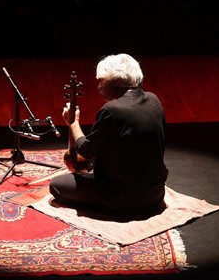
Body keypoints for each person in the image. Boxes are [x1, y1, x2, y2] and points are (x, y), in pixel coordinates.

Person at [49, 53, 168, 220]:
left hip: (121, 198)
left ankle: (110, 207)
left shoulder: (112, 110)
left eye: (102, 81)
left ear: (116, 81)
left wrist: (73, 122)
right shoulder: (154, 100)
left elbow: (86, 150)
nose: (99, 87)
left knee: (56, 186)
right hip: (155, 195)